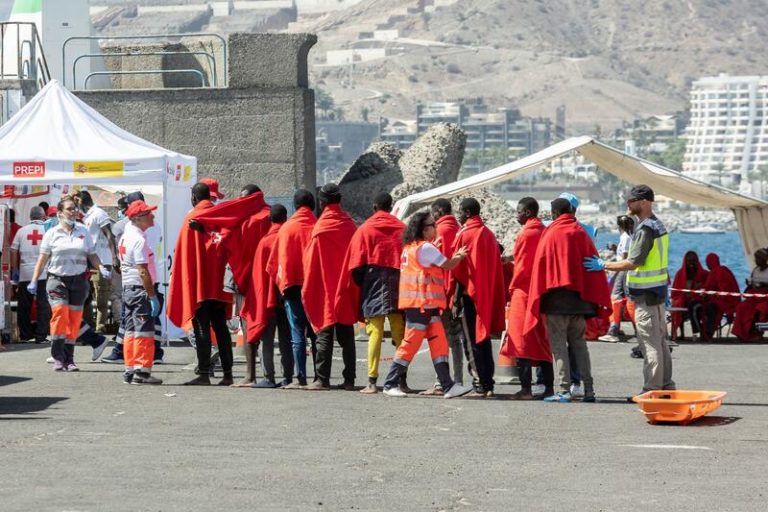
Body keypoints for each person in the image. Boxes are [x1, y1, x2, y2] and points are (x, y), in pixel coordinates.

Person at [586, 184, 675, 396]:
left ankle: (651, 389)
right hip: (657, 292)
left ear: (644, 202)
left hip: (645, 294)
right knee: (660, 342)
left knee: (649, 343)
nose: (628, 205)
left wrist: (603, 265)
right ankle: (667, 386)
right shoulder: (657, 225)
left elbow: (633, 262)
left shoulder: (645, 230)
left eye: (631, 201)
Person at [381, 212, 472, 399]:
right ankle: (390, 383)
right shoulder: (425, 249)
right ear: (424, 229)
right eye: (432, 225)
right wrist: (460, 255)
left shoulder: (411, 248)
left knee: (439, 343)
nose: (436, 228)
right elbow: (448, 265)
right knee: (410, 344)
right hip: (421, 304)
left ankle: (448, 386)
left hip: (423, 305)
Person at [527, 198, 610, 403]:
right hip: (580, 302)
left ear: (554, 213)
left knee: (559, 347)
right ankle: (589, 390)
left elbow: (541, 266)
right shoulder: (581, 232)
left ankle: (564, 390)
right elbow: (592, 264)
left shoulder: (551, 233)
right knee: (580, 345)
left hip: (556, 302)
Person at [190, 184, 272, 386]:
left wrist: (205, 228)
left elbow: (229, 240)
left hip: (240, 279)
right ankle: (238, 374)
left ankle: (241, 375)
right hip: (256, 279)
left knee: (246, 324)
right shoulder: (262, 215)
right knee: (262, 328)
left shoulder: (241, 218)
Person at [29, 197, 111, 371]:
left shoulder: (83, 230)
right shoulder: (52, 233)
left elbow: (92, 254)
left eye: (75, 209)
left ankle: (69, 359)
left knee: (73, 321)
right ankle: (58, 357)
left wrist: (101, 267)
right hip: (57, 280)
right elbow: (42, 259)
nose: (73, 212)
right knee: (60, 315)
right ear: (59, 213)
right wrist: (34, 280)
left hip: (79, 281)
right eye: (69, 209)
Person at [336, 192, 406, 394]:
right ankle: (401, 379)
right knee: (398, 330)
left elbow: (355, 262)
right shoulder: (402, 228)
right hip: (397, 280)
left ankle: (372, 382)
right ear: (391, 207)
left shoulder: (365, 229)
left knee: (374, 332)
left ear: (374, 207)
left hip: (372, 280)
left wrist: (363, 283)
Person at [167, 182, 234, 386]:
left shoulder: (192, 218)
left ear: (194, 198)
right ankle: (228, 374)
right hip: (219, 285)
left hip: (200, 287)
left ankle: (204, 373)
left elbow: (183, 257)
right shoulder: (221, 216)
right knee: (221, 328)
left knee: (202, 328)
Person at [302, 183, 357, 391]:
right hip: (344, 287)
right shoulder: (349, 225)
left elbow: (311, 260)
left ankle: (322, 379)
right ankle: (350, 379)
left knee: (324, 335)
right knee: (347, 336)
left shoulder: (320, 228)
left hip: (325, 287)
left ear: (322, 202)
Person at [451, 198, 506, 398]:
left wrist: (455, 300)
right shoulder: (488, 234)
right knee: (483, 341)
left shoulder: (465, 234)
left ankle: (480, 384)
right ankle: (488, 382)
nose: (458, 215)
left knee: (471, 342)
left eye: (460, 212)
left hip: (469, 296)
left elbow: (458, 272)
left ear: (466, 213)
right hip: (486, 295)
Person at [102, 191, 165, 365]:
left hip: (138, 280)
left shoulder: (125, 228)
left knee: (132, 321)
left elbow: (139, 265)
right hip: (147, 277)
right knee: (148, 319)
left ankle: (128, 358)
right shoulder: (153, 226)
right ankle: (152, 354)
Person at [501, 197, 554, 400]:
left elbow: (522, 268)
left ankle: (526, 389)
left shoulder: (526, 233)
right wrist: (510, 257)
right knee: (541, 341)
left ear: (529, 212)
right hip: (542, 293)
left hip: (524, 294)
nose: (517, 215)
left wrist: (511, 286)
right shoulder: (544, 231)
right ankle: (548, 387)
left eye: (519, 211)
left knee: (520, 341)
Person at [266, 189, 317, 389]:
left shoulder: (286, 229)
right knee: (316, 335)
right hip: (314, 288)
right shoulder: (317, 226)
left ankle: (300, 377)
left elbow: (275, 263)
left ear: (295, 206)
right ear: (312, 205)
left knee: (297, 335)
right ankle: (320, 378)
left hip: (292, 287)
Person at [240, 204, 293, 388]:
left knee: (267, 339)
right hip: (286, 296)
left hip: (268, 299)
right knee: (287, 339)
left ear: (270, 219)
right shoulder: (288, 237)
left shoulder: (264, 242)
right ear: (286, 218)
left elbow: (258, 277)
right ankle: (288, 377)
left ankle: (268, 377)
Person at [422, 197, 464, 394]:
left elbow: (440, 265)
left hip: (442, 294)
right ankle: (458, 379)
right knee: (455, 339)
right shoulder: (457, 229)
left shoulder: (440, 232)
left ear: (438, 212)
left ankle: (442, 382)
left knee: (442, 339)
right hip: (456, 292)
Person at [119, 200, 163, 385]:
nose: (152, 216)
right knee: (144, 332)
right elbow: (143, 270)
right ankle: (142, 372)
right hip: (140, 290)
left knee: (130, 331)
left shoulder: (126, 236)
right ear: (138, 218)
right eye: (149, 213)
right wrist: (152, 295)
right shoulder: (138, 240)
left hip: (129, 289)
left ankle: (130, 370)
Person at [76, 190, 119, 333]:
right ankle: (89, 326)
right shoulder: (87, 217)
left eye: (77, 204)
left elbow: (109, 234)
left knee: (101, 296)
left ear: (81, 202)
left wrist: (114, 257)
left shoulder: (99, 214)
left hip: (102, 261)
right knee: (86, 296)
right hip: (89, 261)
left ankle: (100, 327)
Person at [10, 206, 51, 343]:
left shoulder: (21, 231)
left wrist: (15, 269)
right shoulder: (47, 230)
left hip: (25, 273)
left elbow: (13, 251)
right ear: (43, 216)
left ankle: (25, 335)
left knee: (24, 305)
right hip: (43, 273)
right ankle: (41, 336)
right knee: (43, 305)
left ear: (30, 217)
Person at [600, 215, 637, 343]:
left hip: (623, 270)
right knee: (623, 299)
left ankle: (614, 330)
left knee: (616, 298)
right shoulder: (627, 237)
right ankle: (620, 329)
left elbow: (625, 257)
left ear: (619, 226)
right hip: (624, 270)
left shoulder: (626, 238)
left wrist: (615, 271)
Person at [696, 253, 740, 340]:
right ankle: (707, 331)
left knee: (708, 307)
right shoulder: (725, 270)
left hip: (725, 301)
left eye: (707, 263)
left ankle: (708, 331)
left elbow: (708, 288)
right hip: (733, 300)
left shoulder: (716, 272)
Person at [668, 251, 709, 340]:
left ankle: (699, 332)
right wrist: (684, 296)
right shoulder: (680, 274)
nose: (691, 264)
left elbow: (706, 289)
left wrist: (696, 292)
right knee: (678, 304)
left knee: (696, 307)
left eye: (693, 261)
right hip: (683, 299)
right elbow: (675, 292)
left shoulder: (703, 274)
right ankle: (681, 333)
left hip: (697, 300)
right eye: (689, 261)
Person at [733, 249, 768, 341]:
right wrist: (749, 284)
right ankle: (742, 333)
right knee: (742, 307)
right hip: (755, 296)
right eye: (756, 259)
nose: (756, 261)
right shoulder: (755, 270)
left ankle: (758, 333)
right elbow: (752, 284)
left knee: (760, 309)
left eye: (758, 259)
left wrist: (765, 285)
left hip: (765, 298)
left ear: (764, 259)